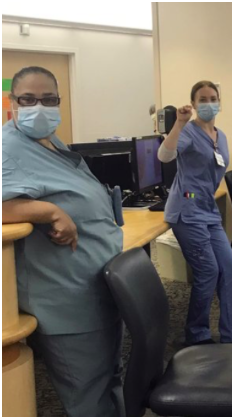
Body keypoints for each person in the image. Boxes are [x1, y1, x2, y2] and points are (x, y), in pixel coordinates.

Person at [2, 66, 124, 416]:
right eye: (28, 99)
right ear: (14, 102)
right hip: (67, 301)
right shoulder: (8, 148)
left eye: (48, 99)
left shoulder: (49, 140)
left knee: (108, 378)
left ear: (59, 101)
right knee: (88, 395)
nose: (39, 107)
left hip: (94, 287)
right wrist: (49, 211)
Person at [158, 80, 232, 347]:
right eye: (202, 99)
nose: (208, 103)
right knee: (207, 271)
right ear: (193, 104)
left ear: (219, 102)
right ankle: (197, 335)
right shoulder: (189, 132)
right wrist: (179, 123)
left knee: (228, 267)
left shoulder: (221, 135)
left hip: (207, 210)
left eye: (212, 98)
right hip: (186, 210)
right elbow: (165, 156)